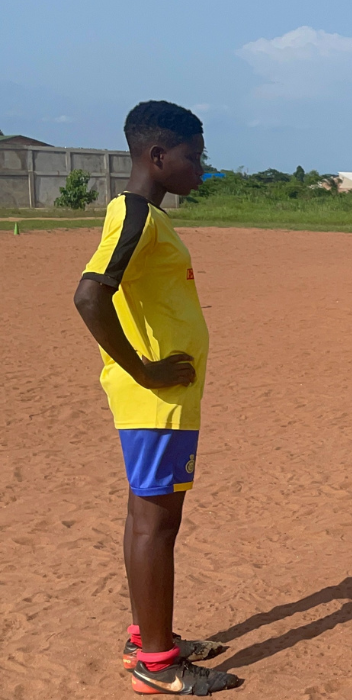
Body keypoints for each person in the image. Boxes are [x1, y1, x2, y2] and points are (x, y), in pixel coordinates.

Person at [73, 101, 241, 694]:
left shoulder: (146, 216)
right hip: (156, 404)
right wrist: (144, 371)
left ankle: (149, 637)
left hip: (163, 403)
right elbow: (90, 295)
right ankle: (158, 665)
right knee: (156, 525)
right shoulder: (136, 216)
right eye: (193, 157)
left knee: (147, 518)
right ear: (157, 156)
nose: (200, 168)